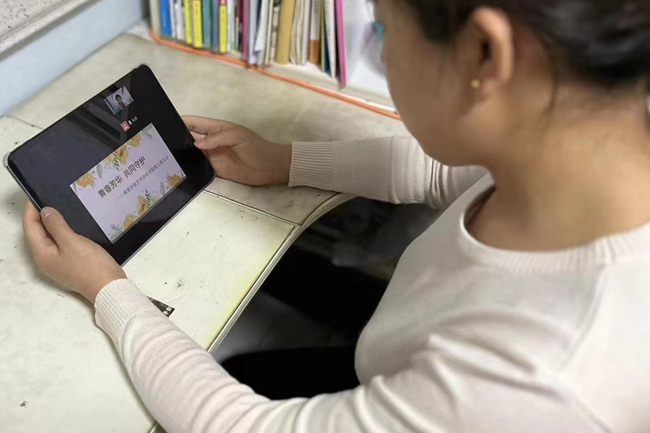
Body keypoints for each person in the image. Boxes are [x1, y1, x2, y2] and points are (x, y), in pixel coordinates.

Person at [22, 0, 650, 431]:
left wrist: (107, 290)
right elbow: (441, 173)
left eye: (382, 32)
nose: (382, 53)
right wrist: (284, 160)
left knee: (242, 374)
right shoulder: (592, 148)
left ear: (485, 54)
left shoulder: (541, 385)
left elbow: (244, 425)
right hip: (392, 345)